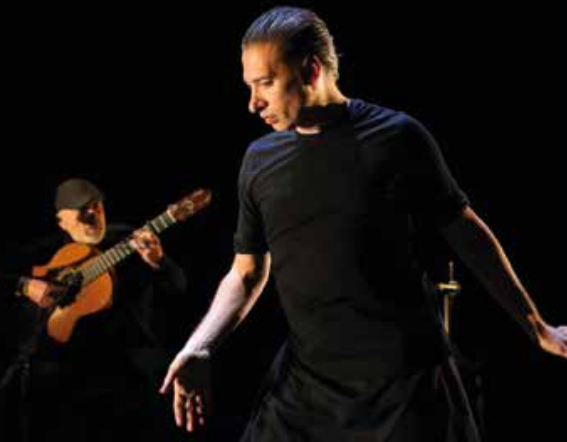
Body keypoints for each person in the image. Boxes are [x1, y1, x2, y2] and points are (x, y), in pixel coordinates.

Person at [160, 6, 567, 442]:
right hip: (306, 388)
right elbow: (246, 273)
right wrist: (200, 345)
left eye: (265, 83)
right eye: (249, 86)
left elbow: (467, 234)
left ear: (311, 70)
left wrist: (536, 326)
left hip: (403, 388)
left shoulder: (397, 138)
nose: (252, 102)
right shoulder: (259, 161)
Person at [0, 177, 190, 442]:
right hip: (63, 375)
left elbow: (179, 288)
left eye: (96, 206)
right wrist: (24, 285)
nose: (92, 214)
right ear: (62, 221)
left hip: (130, 373)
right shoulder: (43, 250)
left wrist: (160, 262)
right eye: (81, 209)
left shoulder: (132, 239)